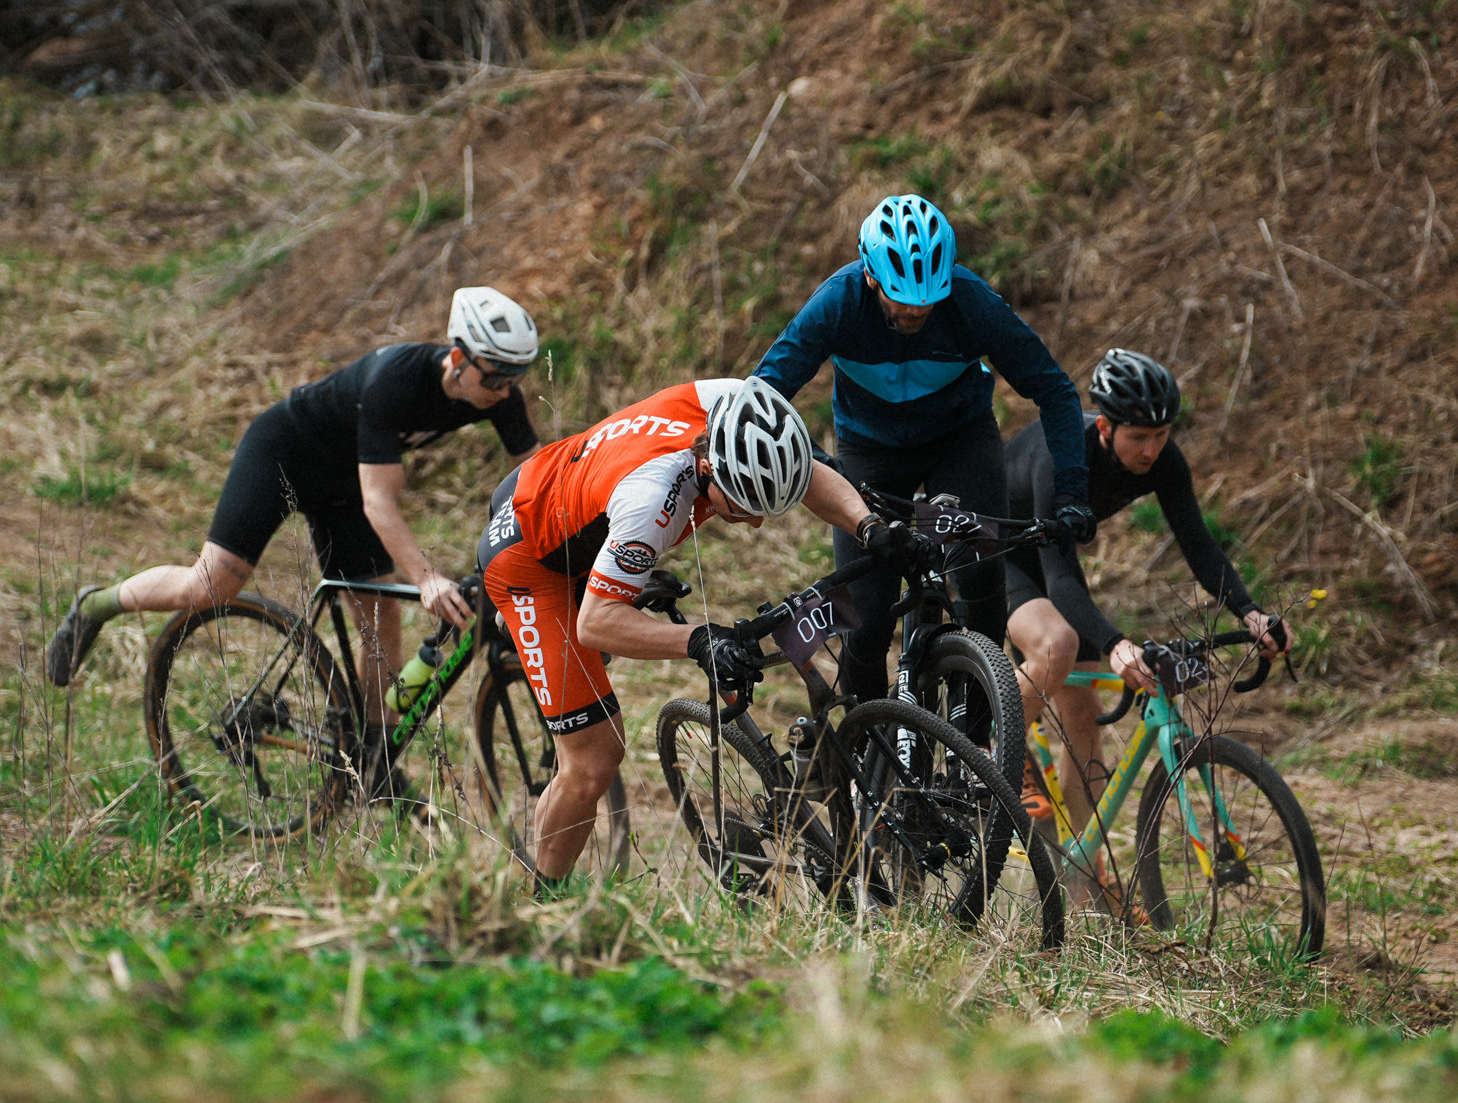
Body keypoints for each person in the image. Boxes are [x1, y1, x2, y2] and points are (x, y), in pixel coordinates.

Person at [43, 287, 544, 747]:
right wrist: (428, 578)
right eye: (496, 376)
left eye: (514, 378)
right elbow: (380, 502)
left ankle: (372, 757)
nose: (504, 390)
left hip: (344, 483)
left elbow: (537, 479)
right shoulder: (397, 381)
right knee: (209, 587)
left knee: (378, 609)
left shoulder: (498, 397)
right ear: (457, 358)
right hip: (284, 453)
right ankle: (97, 605)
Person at [478, 376, 891, 883]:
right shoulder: (653, 502)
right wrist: (698, 640)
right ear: (707, 466)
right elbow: (596, 621)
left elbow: (803, 472)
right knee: (593, 760)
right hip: (530, 560)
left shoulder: (734, 407)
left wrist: (870, 527)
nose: (756, 525)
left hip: (569, 488)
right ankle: (532, 907)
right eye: (742, 508)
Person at [754, 193, 1097, 703]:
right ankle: (868, 751)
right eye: (900, 298)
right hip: (870, 452)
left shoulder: (971, 302)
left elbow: (1055, 390)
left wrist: (1073, 490)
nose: (915, 310)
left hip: (959, 441)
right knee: (866, 622)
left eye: (927, 299)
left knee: (980, 574)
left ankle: (977, 746)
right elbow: (764, 394)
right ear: (870, 277)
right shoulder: (838, 302)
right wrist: (808, 460)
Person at [1004, 348, 1290, 858]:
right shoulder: (1062, 450)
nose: (1151, 450)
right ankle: (990, 747)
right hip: (995, 549)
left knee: (1082, 713)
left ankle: (1088, 882)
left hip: (1054, 559)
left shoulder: (1162, 458)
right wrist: (1115, 644)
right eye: (1139, 437)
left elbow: (1199, 545)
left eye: (1161, 435)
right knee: (1058, 644)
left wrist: (1250, 613)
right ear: (1105, 429)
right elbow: (1058, 575)